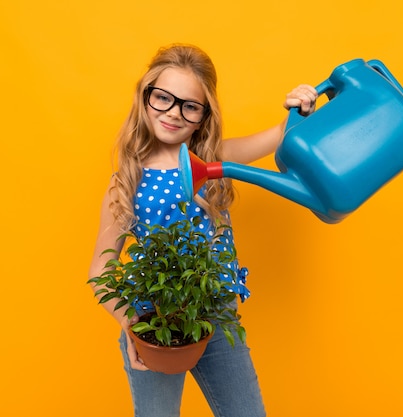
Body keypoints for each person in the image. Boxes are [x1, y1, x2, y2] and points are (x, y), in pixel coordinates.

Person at [87, 43, 317, 417]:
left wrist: (301, 106)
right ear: (145, 96)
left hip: (217, 312)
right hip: (154, 320)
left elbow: (281, 134)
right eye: (162, 98)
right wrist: (131, 324)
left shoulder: (212, 160)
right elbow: (100, 270)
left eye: (189, 106)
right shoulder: (126, 181)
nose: (173, 113)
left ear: (203, 115)